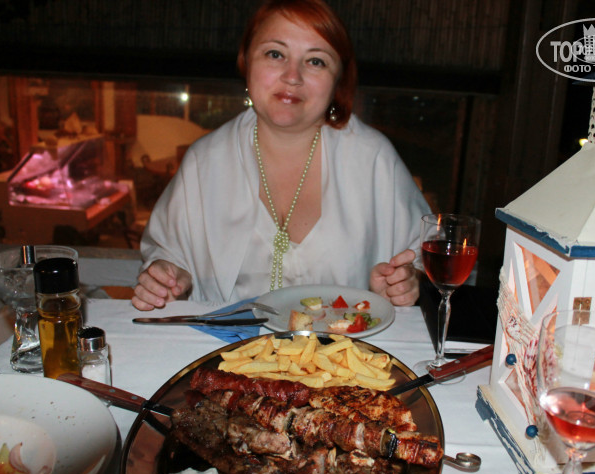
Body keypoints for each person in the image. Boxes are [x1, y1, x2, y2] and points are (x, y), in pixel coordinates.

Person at [132, 0, 431, 311]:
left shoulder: (373, 158)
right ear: (246, 61)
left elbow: (422, 255)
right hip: (226, 343)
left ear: (338, 80)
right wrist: (167, 278)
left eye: (316, 61)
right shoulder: (204, 161)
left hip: (345, 342)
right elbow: (167, 254)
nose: (292, 76)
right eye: (275, 54)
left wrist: (407, 281)